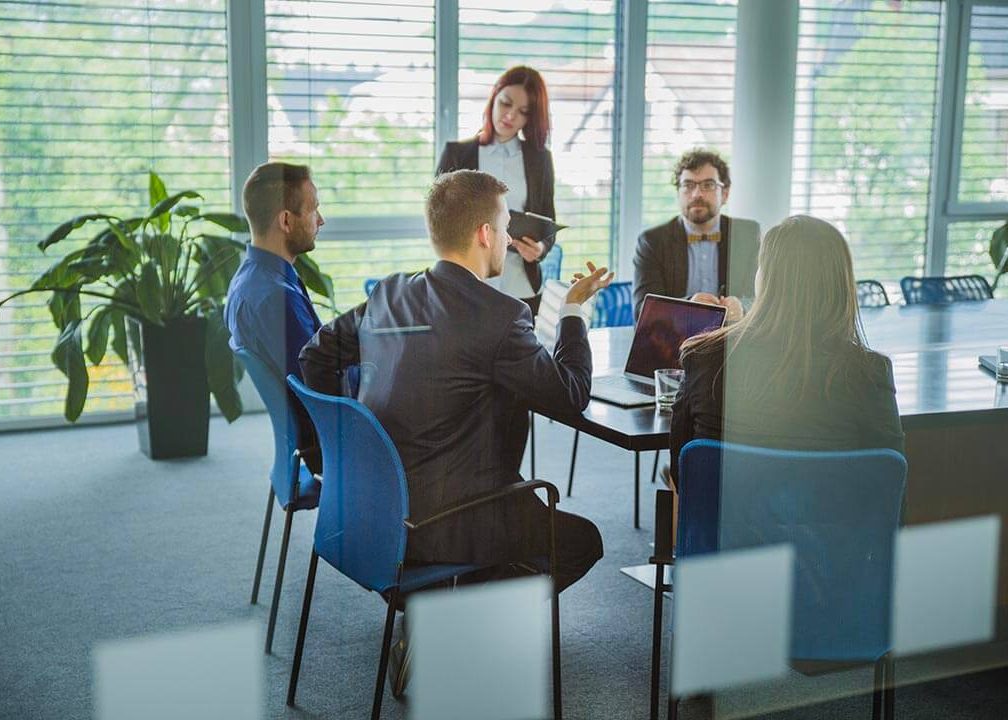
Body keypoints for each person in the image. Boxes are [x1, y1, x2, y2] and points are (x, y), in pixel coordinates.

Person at [300, 169, 609, 591]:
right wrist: (573, 311)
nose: (506, 240)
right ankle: (460, 619)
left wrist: (351, 446)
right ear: (485, 233)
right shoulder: (502, 316)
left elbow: (314, 357)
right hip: (454, 521)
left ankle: (438, 609)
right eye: (504, 229)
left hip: (372, 508)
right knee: (583, 542)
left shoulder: (388, 294)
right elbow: (570, 395)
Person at [668, 215, 905, 490]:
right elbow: (890, 488)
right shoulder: (870, 373)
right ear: (842, 285)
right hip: (829, 532)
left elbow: (681, 476)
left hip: (728, 533)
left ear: (765, 279)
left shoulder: (704, 357)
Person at [436, 65, 556, 317]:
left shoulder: (539, 160)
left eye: (522, 112)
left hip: (521, 286)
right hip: (467, 287)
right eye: (505, 103)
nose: (510, 116)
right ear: (494, 98)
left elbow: (548, 222)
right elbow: (439, 221)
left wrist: (540, 249)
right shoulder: (457, 155)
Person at [226, 161, 324, 462]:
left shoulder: (248, 280)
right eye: (313, 210)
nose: (321, 220)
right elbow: (322, 388)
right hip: (330, 444)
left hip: (300, 442)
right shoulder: (277, 299)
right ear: (286, 221)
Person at [632, 148, 759, 322]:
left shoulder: (748, 235)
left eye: (708, 185)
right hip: (675, 342)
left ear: (725, 194)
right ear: (678, 192)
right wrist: (688, 306)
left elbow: (765, 299)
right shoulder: (652, 241)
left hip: (733, 341)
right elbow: (642, 311)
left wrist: (743, 307)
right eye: (688, 185)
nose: (697, 194)